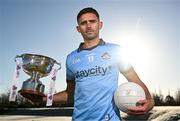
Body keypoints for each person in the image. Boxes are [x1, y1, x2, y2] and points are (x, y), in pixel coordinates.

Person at [31, 7, 154, 121]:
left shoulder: (116, 51)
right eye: (83, 23)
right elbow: (70, 94)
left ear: (100, 24)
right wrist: (44, 98)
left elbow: (135, 81)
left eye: (92, 21)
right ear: (78, 29)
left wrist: (150, 101)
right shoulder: (71, 58)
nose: (88, 26)